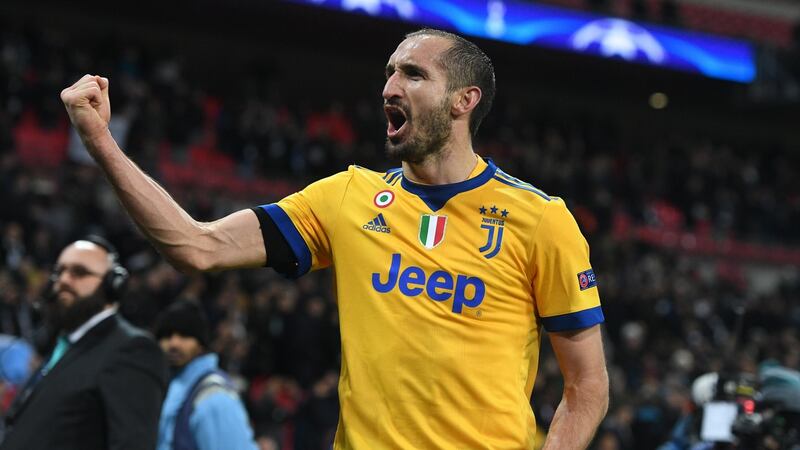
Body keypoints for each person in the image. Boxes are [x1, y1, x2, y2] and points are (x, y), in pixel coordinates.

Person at [60, 28, 609, 449]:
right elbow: (197, 247)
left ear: (464, 100)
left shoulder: (540, 220)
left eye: (413, 75)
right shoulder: (347, 197)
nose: (389, 87)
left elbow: (587, 387)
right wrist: (100, 141)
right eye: (390, 73)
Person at [0, 236, 168, 450]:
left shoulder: (132, 349)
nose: (64, 280)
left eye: (79, 272)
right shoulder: (66, 345)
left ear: (112, 285)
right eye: (59, 272)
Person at [154, 300, 257, 450]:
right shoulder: (163, 389)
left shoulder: (214, 396)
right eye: (167, 336)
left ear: (201, 344)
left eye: (184, 335)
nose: (174, 343)